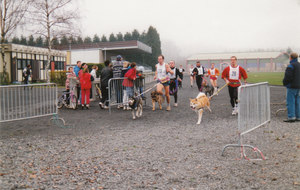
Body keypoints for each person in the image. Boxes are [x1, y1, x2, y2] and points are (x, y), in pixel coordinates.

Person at [282, 52, 300, 122]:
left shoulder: (291, 66)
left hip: (292, 86)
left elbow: (287, 77)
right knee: (298, 102)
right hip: (299, 86)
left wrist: (285, 83)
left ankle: (291, 117)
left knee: (290, 102)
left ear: (290, 58)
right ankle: (298, 116)